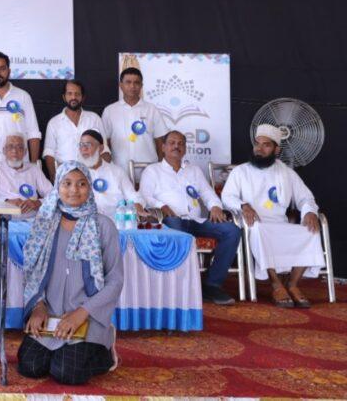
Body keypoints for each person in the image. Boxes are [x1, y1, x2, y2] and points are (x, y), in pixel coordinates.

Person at [18, 162, 122, 385]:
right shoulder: (45, 223)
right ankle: (60, 351)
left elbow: (115, 281)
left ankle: (105, 351)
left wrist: (81, 313)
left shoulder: (103, 226)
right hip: (50, 314)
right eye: (67, 183)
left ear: (90, 187)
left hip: (88, 315)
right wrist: (38, 306)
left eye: (81, 184)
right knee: (30, 366)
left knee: (67, 372)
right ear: (57, 186)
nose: (74, 190)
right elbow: (32, 271)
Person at [221, 124, 325, 308]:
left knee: (312, 230)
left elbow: (306, 197)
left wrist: (309, 211)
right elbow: (227, 197)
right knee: (259, 230)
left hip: (280, 222)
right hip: (253, 223)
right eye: (257, 144)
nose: (259, 149)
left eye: (266, 145)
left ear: (277, 150)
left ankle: (292, 284)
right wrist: (243, 205)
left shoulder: (287, 173)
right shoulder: (241, 171)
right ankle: (276, 285)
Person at [139, 131, 239, 305]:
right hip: (171, 221)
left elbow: (207, 193)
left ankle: (212, 285)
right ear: (163, 147)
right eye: (172, 142)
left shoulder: (193, 171)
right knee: (176, 228)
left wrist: (215, 206)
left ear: (185, 149)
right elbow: (144, 196)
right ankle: (179, 286)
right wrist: (161, 206)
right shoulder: (153, 171)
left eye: (180, 143)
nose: (176, 146)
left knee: (232, 230)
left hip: (195, 221)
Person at [101, 68, 169, 173]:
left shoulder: (152, 110)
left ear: (141, 86)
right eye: (128, 82)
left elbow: (160, 142)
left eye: (136, 83)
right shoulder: (110, 111)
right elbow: (105, 143)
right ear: (121, 85)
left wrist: (160, 169)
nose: (132, 86)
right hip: (119, 171)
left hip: (149, 171)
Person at [43, 80, 110, 180]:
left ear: (83, 97)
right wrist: (55, 178)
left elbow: (104, 150)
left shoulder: (94, 119)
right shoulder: (54, 123)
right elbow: (49, 153)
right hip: (65, 177)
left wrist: (102, 175)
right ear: (64, 97)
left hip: (93, 175)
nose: (73, 97)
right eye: (69, 94)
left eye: (77, 94)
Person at [77, 130, 144, 220]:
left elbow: (133, 196)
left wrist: (137, 205)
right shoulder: (76, 174)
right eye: (81, 145)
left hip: (117, 222)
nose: (84, 149)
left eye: (88, 145)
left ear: (100, 148)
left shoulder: (117, 172)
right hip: (87, 222)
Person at [0, 132, 52, 214]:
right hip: (3, 218)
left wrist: (37, 203)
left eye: (19, 147)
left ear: (25, 152)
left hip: (32, 218)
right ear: (4, 150)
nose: (14, 151)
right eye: (10, 146)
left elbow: (53, 194)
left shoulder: (34, 169)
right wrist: (5, 201)